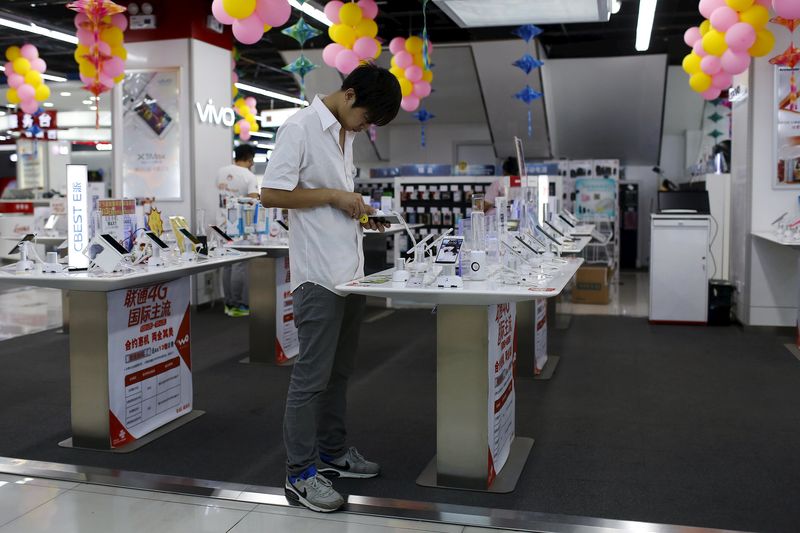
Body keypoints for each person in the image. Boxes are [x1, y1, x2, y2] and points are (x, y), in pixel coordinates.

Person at [261, 63, 401, 513]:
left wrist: (359, 210)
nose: (366, 126)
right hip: (318, 275)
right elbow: (271, 194)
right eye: (367, 117)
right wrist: (331, 196)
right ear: (349, 94)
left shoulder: (348, 134)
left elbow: (337, 199)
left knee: (338, 374)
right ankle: (299, 473)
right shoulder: (300, 128)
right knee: (310, 380)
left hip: (350, 272)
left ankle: (332, 453)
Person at [217, 143, 260, 317]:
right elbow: (253, 202)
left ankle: (228, 302)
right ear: (250, 159)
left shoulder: (221, 172)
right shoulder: (249, 176)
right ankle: (238, 304)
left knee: (227, 264)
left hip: (221, 224)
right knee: (239, 264)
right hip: (239, 225)